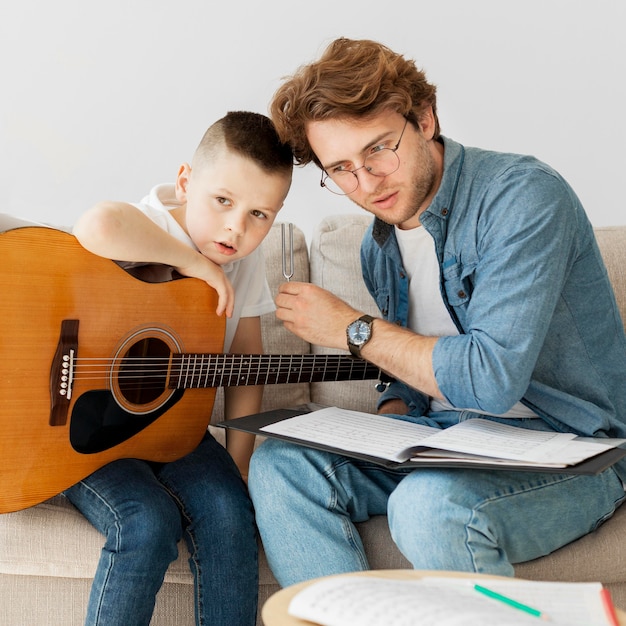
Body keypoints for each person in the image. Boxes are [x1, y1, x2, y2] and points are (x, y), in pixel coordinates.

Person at [247, 38, 626, 587]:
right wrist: (392, 413)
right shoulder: (378, 244)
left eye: (378, 149)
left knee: (427, 504)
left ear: (425, 119)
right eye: (342, 169)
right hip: (448, 436)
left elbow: (490, 380)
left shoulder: (523, 198)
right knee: (282, 464)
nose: (366, 182)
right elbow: (410, 361)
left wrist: (353, 329)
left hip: (572, 449)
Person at [65, 111, 293, 625]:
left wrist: (239, 463)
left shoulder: (245, 255)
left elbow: (246, 362)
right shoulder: (150, 224)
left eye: (260, 214)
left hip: (172, 428)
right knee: (146, 520)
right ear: (186, 182)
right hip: (78, 427)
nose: (237, 227)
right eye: (223, 202)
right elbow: (97, 225)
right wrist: (194, 264)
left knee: (232, 515)